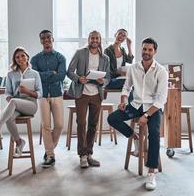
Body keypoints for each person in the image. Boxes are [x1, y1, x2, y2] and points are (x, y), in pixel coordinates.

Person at [107, 38, 168, 190]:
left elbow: (161, 100)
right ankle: (135, 138)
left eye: (150, 50)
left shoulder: (161, 71)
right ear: (141, 50)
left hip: (153, 108)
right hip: (135, 105)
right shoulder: (133, 68)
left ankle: (151, 173)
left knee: (154, 133)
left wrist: (146, 116)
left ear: (155, 51)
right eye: (144, 49)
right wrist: (123, 100)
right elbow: (126, 87)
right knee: (112, 118)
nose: (146, 52)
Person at [0, 47, 43, 157]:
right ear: (15, 59)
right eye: (17, 57)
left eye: (22, 56)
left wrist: (27, 91)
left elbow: (40, 93)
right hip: (16, 105)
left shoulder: (35, 74)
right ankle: (19, 143)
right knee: (8, 118)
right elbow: (7, 92)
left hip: (30, 105)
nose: (20, 59)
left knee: (13, 102)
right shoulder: (11, 74)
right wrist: (8, 98)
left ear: (27, 57)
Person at [67, 30, 110, 168]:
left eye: (97, 38)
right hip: (82, 93)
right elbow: (69, 71)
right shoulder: (80, 53)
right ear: (89, 39)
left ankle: (89, 153)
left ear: (100, 40)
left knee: (93, 124)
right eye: (92, 38)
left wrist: (103, 81)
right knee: (81, 123)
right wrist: (79, 78)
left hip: (97, 94)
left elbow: (108, 78)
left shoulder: (105, 58)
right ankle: (82, 155)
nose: (94, 40)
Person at [31, 29, 66, 168]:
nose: (46, 41)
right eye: (43, 39)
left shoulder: (60, 57)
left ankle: (49, 149)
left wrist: (44, 75)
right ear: (40, 41)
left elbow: (62, 76)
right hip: (43, 95)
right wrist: (51, 73)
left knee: (59, 125)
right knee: (46, 126)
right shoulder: (35, 59)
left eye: (48, 38)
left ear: (52, 39)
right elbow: (35, 77)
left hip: (57, 94)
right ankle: (50, 155)